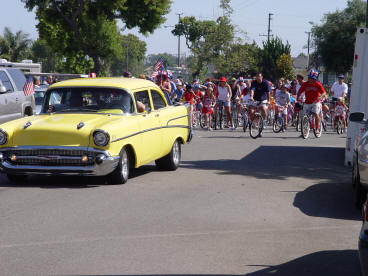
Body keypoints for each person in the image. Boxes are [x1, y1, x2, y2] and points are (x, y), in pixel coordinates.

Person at [297, 69, 326, 135]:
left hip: (316, 102)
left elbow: (324, 92)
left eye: (311, 78)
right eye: (309, 77)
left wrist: (321, 96)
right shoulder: (305, 84)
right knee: (304, 116)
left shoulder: (318, 84)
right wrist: (298, 97)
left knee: (315, 114)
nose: (310, 79)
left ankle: (317, 129)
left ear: (314, 79)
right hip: (307, 102)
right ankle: (304, 130)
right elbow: (299, 92)